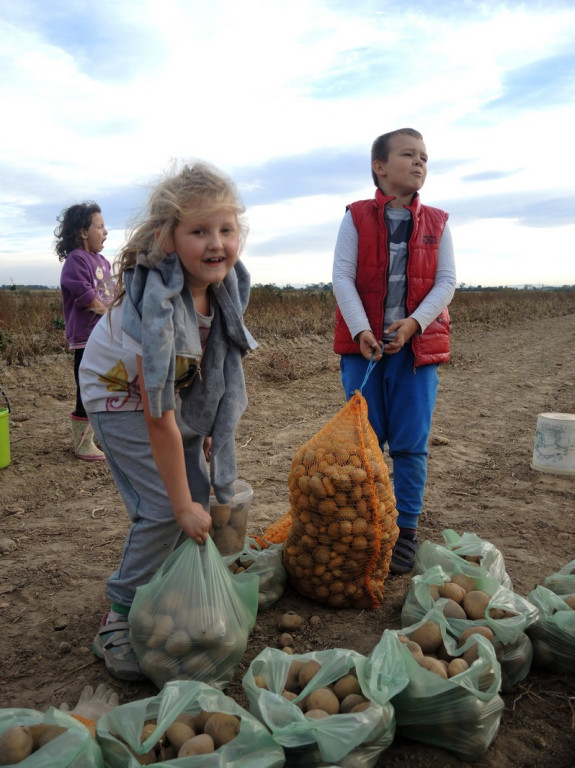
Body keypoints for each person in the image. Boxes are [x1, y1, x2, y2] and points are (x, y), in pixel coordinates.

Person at [79, 161, 257, 681]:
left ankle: (165, 594)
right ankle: (117, 616)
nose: (216, 243)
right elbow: (159, 420)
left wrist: (198, 445)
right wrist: (181, 504)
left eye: (226, 230)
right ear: (167, 238)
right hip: (115, 397)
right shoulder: (155, 306)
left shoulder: (218, 293)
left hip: (160, 398)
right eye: (199, 231)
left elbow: (204, 378)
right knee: (162, 507)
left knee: (193, 494)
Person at [332, 128, 456, 575]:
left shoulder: (438, 222)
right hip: (362, 350)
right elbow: (342, 277)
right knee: (365, 441)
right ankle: (365, 522)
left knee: (410, 444)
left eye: (424, 156)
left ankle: (405, 531)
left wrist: (413, 324)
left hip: (415, 352)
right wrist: (362, 329)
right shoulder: (356, 216)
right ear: (379, 167)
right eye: (408, 154)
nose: (420, 162)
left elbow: (447, 282)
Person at [56, 202, 115, 461]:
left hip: (105, 339)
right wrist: (114, 316)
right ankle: (82, 442)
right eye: (100, 227)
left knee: (107, 385)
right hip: (86, 340)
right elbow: (89, 299)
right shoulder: (76, 260)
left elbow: (112, 295)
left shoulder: (102, 260)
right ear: (82, 232)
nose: (105, 232)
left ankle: (101, 434)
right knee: (86, 388)